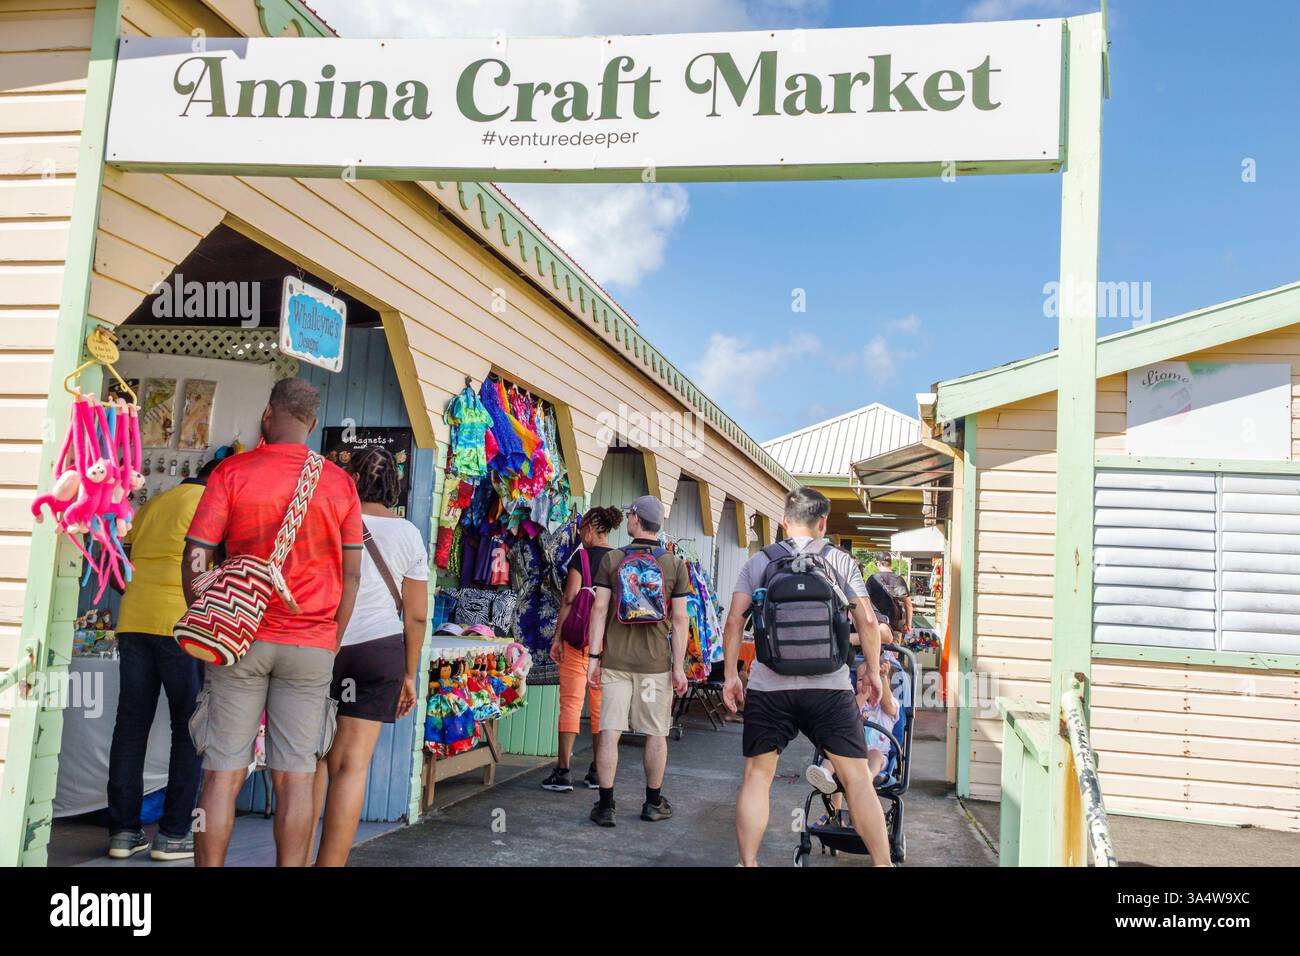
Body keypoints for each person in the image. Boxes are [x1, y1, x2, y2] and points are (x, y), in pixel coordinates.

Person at [183, 378, 363, 867]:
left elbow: (197, 553)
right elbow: (351, 576)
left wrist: (205, 615)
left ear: (268, 414)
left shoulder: (232, 472)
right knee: (296, 776)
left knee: (223, 773)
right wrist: (331, 639)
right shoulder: (339, 483)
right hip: (311, 643)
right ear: (312, 423)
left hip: (239, 637)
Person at [722, 486, 893, 867]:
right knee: (857, 779)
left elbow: (734, 621)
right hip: (828, 688)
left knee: (757, 778)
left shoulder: (759, 561)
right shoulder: (841, 562)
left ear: (784, 521)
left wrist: (732, 675)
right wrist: (873, 672)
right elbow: (866, 619)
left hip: (769, 686)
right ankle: (884, 864)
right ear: (823, 523)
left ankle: (748, 863)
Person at [312, 447, 428, 866]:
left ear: (352, 481)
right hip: (380, 652)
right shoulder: (410, 534)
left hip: (322, 646)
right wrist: (409, 675)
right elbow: (415, 615)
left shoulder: (328, 518)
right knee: (351, 767)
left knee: (311, 763)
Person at [106, 459, 220, 861]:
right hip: (181, 625)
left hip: (134, 620)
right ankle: (172, 834)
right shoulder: (212, 502)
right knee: (187, 729)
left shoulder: (157, 502)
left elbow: (121, 555)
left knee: (130, 726)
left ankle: (122, 832)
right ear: (220, 479)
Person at [585, 496, 691, 827]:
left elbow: (599, 609)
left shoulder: (613, 559)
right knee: (655, 734)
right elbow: (680, 620)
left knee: (609, 732)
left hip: (615, 663)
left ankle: (605, 806)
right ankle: (653, 803)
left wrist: (593, 657)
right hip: (655, 667)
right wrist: (678, 667)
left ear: (634, 520)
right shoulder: (674, 564)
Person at [542, 505, 622, 793]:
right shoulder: (619, 559)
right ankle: (598, 772)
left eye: (581, 528)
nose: (579, 534)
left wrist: (557, 637)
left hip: (577, 643)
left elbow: (568, 599)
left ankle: (563, 772)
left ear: (590, 528)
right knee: (601, 710)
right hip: (606, 648)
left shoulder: (582, 558)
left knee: (571, 704)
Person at [805, 657, 900, 821]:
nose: (867, 683)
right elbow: (847, 713)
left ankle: (867, 778)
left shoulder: (889, 705)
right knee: (833, 753)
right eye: (862, 680)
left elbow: (887, 704)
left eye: (872, 679)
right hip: (850, 751)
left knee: (876, 755)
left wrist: (881, 678)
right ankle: (824, 775)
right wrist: (863, 695)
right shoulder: (856, 702)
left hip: (874, 754)